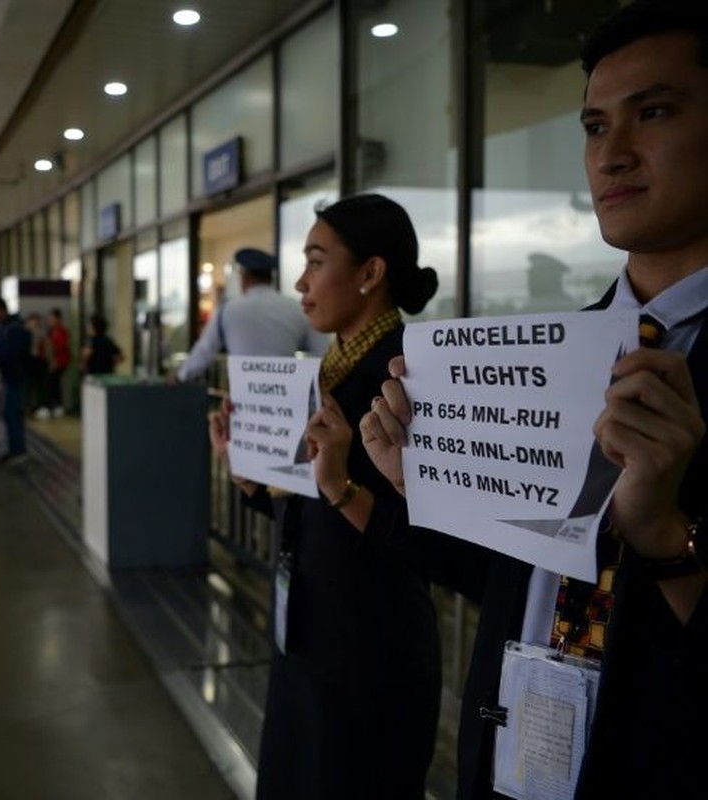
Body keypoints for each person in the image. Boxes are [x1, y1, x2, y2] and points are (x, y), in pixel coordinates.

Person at [361, 4, 708, 797]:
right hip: (513, 756)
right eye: (592, 126)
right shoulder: (561, 357)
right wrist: (423, 485)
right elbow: (515, 584)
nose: (611, 154)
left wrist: (663, 535)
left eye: (651, 113)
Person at [209, 195, 441, 799]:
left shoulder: (411, 381)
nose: (300, 281)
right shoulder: (323, 376)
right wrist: (250, 478)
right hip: (307, 631)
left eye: (317, 260)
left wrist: (340, 484)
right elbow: (311, 512)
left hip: (371, 650)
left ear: (370, 274)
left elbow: (431, 541)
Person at [176, 248, 328, 382]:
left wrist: (181, 376)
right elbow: (322, 352)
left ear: (243, 276)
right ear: (270, 277)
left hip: (244, 401)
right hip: (287, 401)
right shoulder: (296, 308)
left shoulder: (227, 310)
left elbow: (204, 352)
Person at [0, 297, 31, 464]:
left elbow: (10, 354)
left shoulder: (13, 329)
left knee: (12, 414)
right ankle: (14, 449)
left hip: (14, 377)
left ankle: (18, 451)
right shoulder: (4, 328)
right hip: (8, 376)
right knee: (8, 413)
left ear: (0, 310)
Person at [43, 308, 70, 417]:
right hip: (52, 362)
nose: (50, 321)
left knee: (55, 384)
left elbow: (59, 347)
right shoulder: (51, 332)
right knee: (51, 384)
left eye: (52, 319)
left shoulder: (62, 331)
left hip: (60, 362)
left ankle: (58, 406)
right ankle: (53, 405)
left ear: (58, 319)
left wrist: (54, 362)